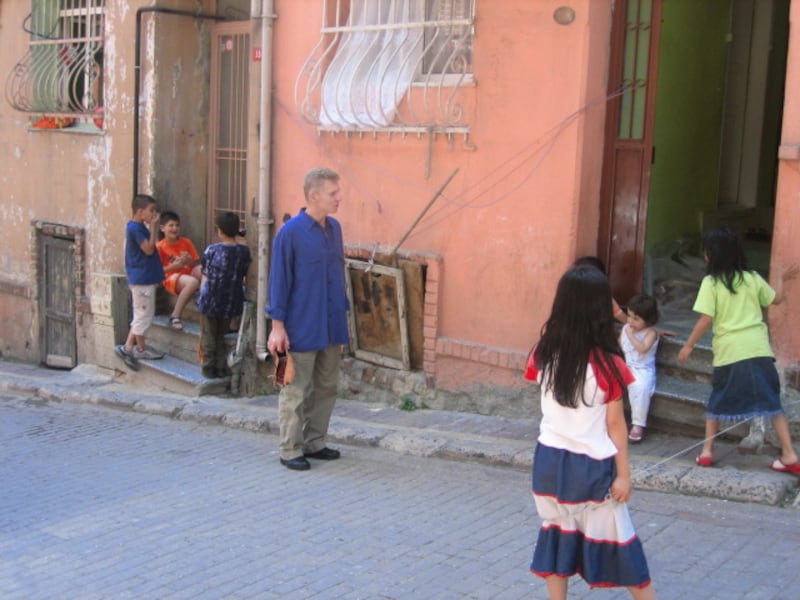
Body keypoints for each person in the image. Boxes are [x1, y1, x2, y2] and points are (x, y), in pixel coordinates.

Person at [524, 266, 655, 599]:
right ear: (599, 311)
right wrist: (624, 475)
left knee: (556, 536)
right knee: (623, 546)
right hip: (591, 467)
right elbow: (615, 425)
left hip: (548, 465)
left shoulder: (542, 352)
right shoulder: (609, 364)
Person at [677, 227, 800, 472]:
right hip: (758, 350)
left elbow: (705, 319)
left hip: (729, 353)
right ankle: (789, 455)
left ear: (713, 255)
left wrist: (688, 345)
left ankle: (706, 452)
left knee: (716, 403)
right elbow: (776, 300)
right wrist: (782, 279)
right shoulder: (753, 277)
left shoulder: (711, 283)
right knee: (772, 403)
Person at [267, 167, 350, 472]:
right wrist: (277, 327)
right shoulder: (290, 233)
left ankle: (315, 442)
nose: (339, 198)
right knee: (296, 390)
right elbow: (279, 281)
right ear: (314, 196)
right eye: (333, 193)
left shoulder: (336, 229)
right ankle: (290, 449)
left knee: (327, 387)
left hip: (331, 325)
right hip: (301, 325)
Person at [196, 212, 251, 379]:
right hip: (231, 299)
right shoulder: (244, 252)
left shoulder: (212, 250)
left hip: (211, 298)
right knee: (221, 335)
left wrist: (201, 297)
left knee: (208, 336)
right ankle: (221, 368)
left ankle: (208, 368)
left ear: (219, 231)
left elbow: (205, 274)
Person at [115, 194, 166, 371]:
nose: (154, 214)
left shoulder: (137, 227)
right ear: (140, 211)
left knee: (141, 315)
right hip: (142, 280)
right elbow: (149, 250)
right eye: (151, 210)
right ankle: (131, 348)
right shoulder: (136, 229)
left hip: (144, 278)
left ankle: (137, 347)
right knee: (143, 315)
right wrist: (154, 227)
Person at [621, 294, 660, 443]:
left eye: (636, 319)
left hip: (642, 369)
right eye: (629, 316)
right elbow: (621, 345)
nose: (631, 321)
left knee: (640, 387)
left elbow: (642, 349)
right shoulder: (626, 328)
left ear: (648, 320)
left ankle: (638, 424)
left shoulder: (651, 333)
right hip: (626, 365)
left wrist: (631, 336)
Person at [156, 211, 202, 331]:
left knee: (204, 270)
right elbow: (156, 272)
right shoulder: (160, 247)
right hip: (171, 277)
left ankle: (207, 305)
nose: (174, 228)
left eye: (177, 225)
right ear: (162, 228)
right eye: (171, 225)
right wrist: (174, 266)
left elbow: (195, 263)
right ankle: (175, 315)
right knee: (193, 282)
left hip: (188, 272)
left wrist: (188, 261)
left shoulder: (186, 242)